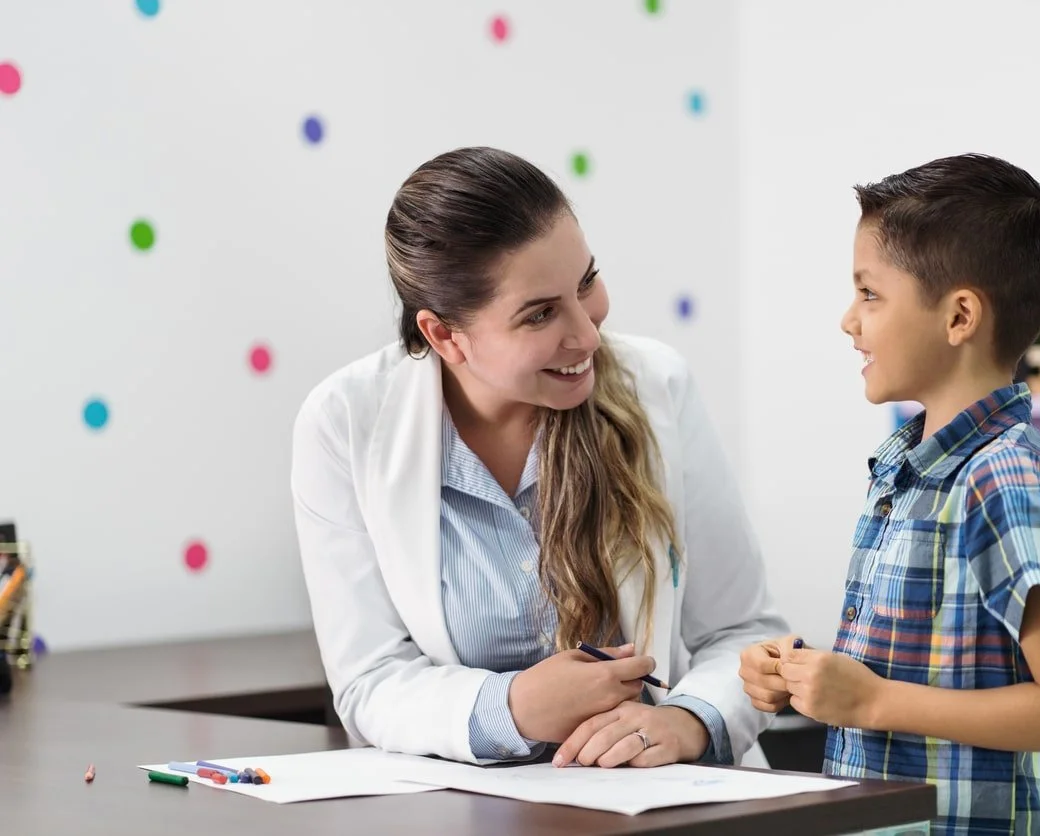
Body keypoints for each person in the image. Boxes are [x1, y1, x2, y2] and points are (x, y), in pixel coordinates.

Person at [291, 146, 786, 769]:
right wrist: (514, 707)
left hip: (660, 802)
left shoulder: (658, 385)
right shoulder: (343, 422)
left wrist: (688, 722)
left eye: (586, 283)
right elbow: (369, 680)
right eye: (541, 314)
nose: (587, 334)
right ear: (444, 335)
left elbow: (745, 635)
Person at [739, 154, 1040, 833]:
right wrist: (803, 680)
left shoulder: (1003, 481)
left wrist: (873, 702)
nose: (848, 321)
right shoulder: (907, 472)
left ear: (959, 315)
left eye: (870, 294)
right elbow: (901, 675)